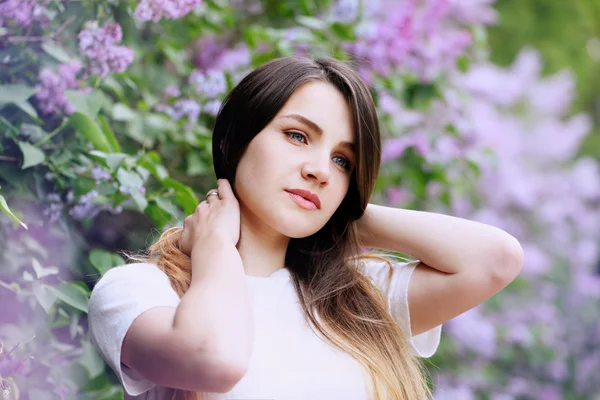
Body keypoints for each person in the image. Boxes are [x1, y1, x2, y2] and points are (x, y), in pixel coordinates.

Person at [87, 56, 524, 400]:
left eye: (342, 161)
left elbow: (495, 260)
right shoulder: (138, 292)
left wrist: (346, 214)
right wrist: (216, 246)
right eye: (298, 136)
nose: (320, 171)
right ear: (234, 141)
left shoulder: (356, 301)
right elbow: (214, 360)